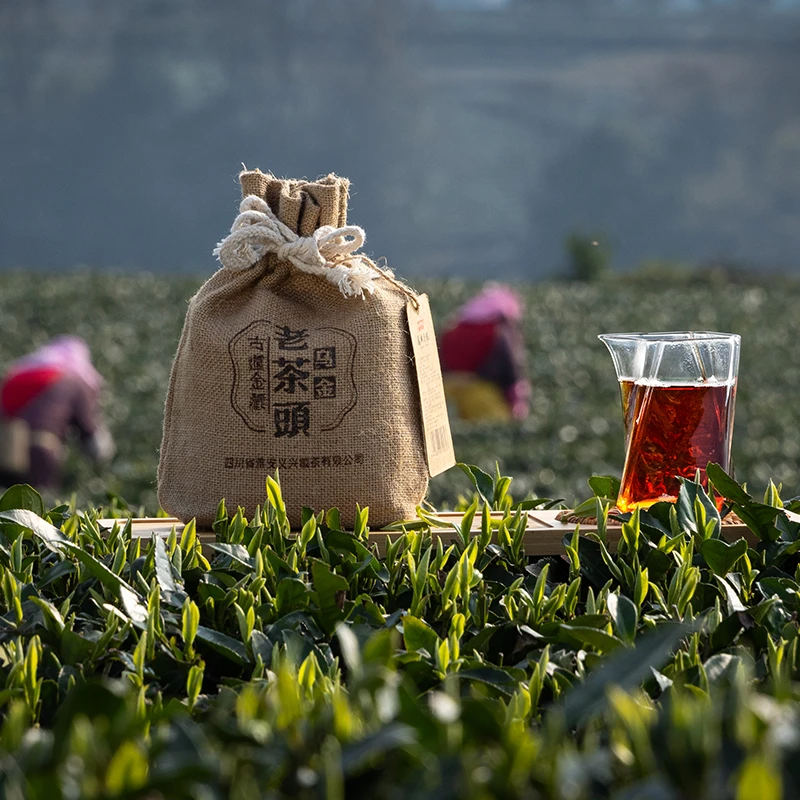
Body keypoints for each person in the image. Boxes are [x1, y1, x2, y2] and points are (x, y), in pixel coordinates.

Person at [0, 336, 115, 491]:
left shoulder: (21, 373)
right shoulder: (75, 378)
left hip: (7, 450)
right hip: (41, 452)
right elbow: (89, 428)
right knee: (41, 506)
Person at [439, 284, 531, 422]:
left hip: (446, 392)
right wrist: (516, 400)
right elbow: (509, 365)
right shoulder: (499, 330)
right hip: (482, 394)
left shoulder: (454, 329)